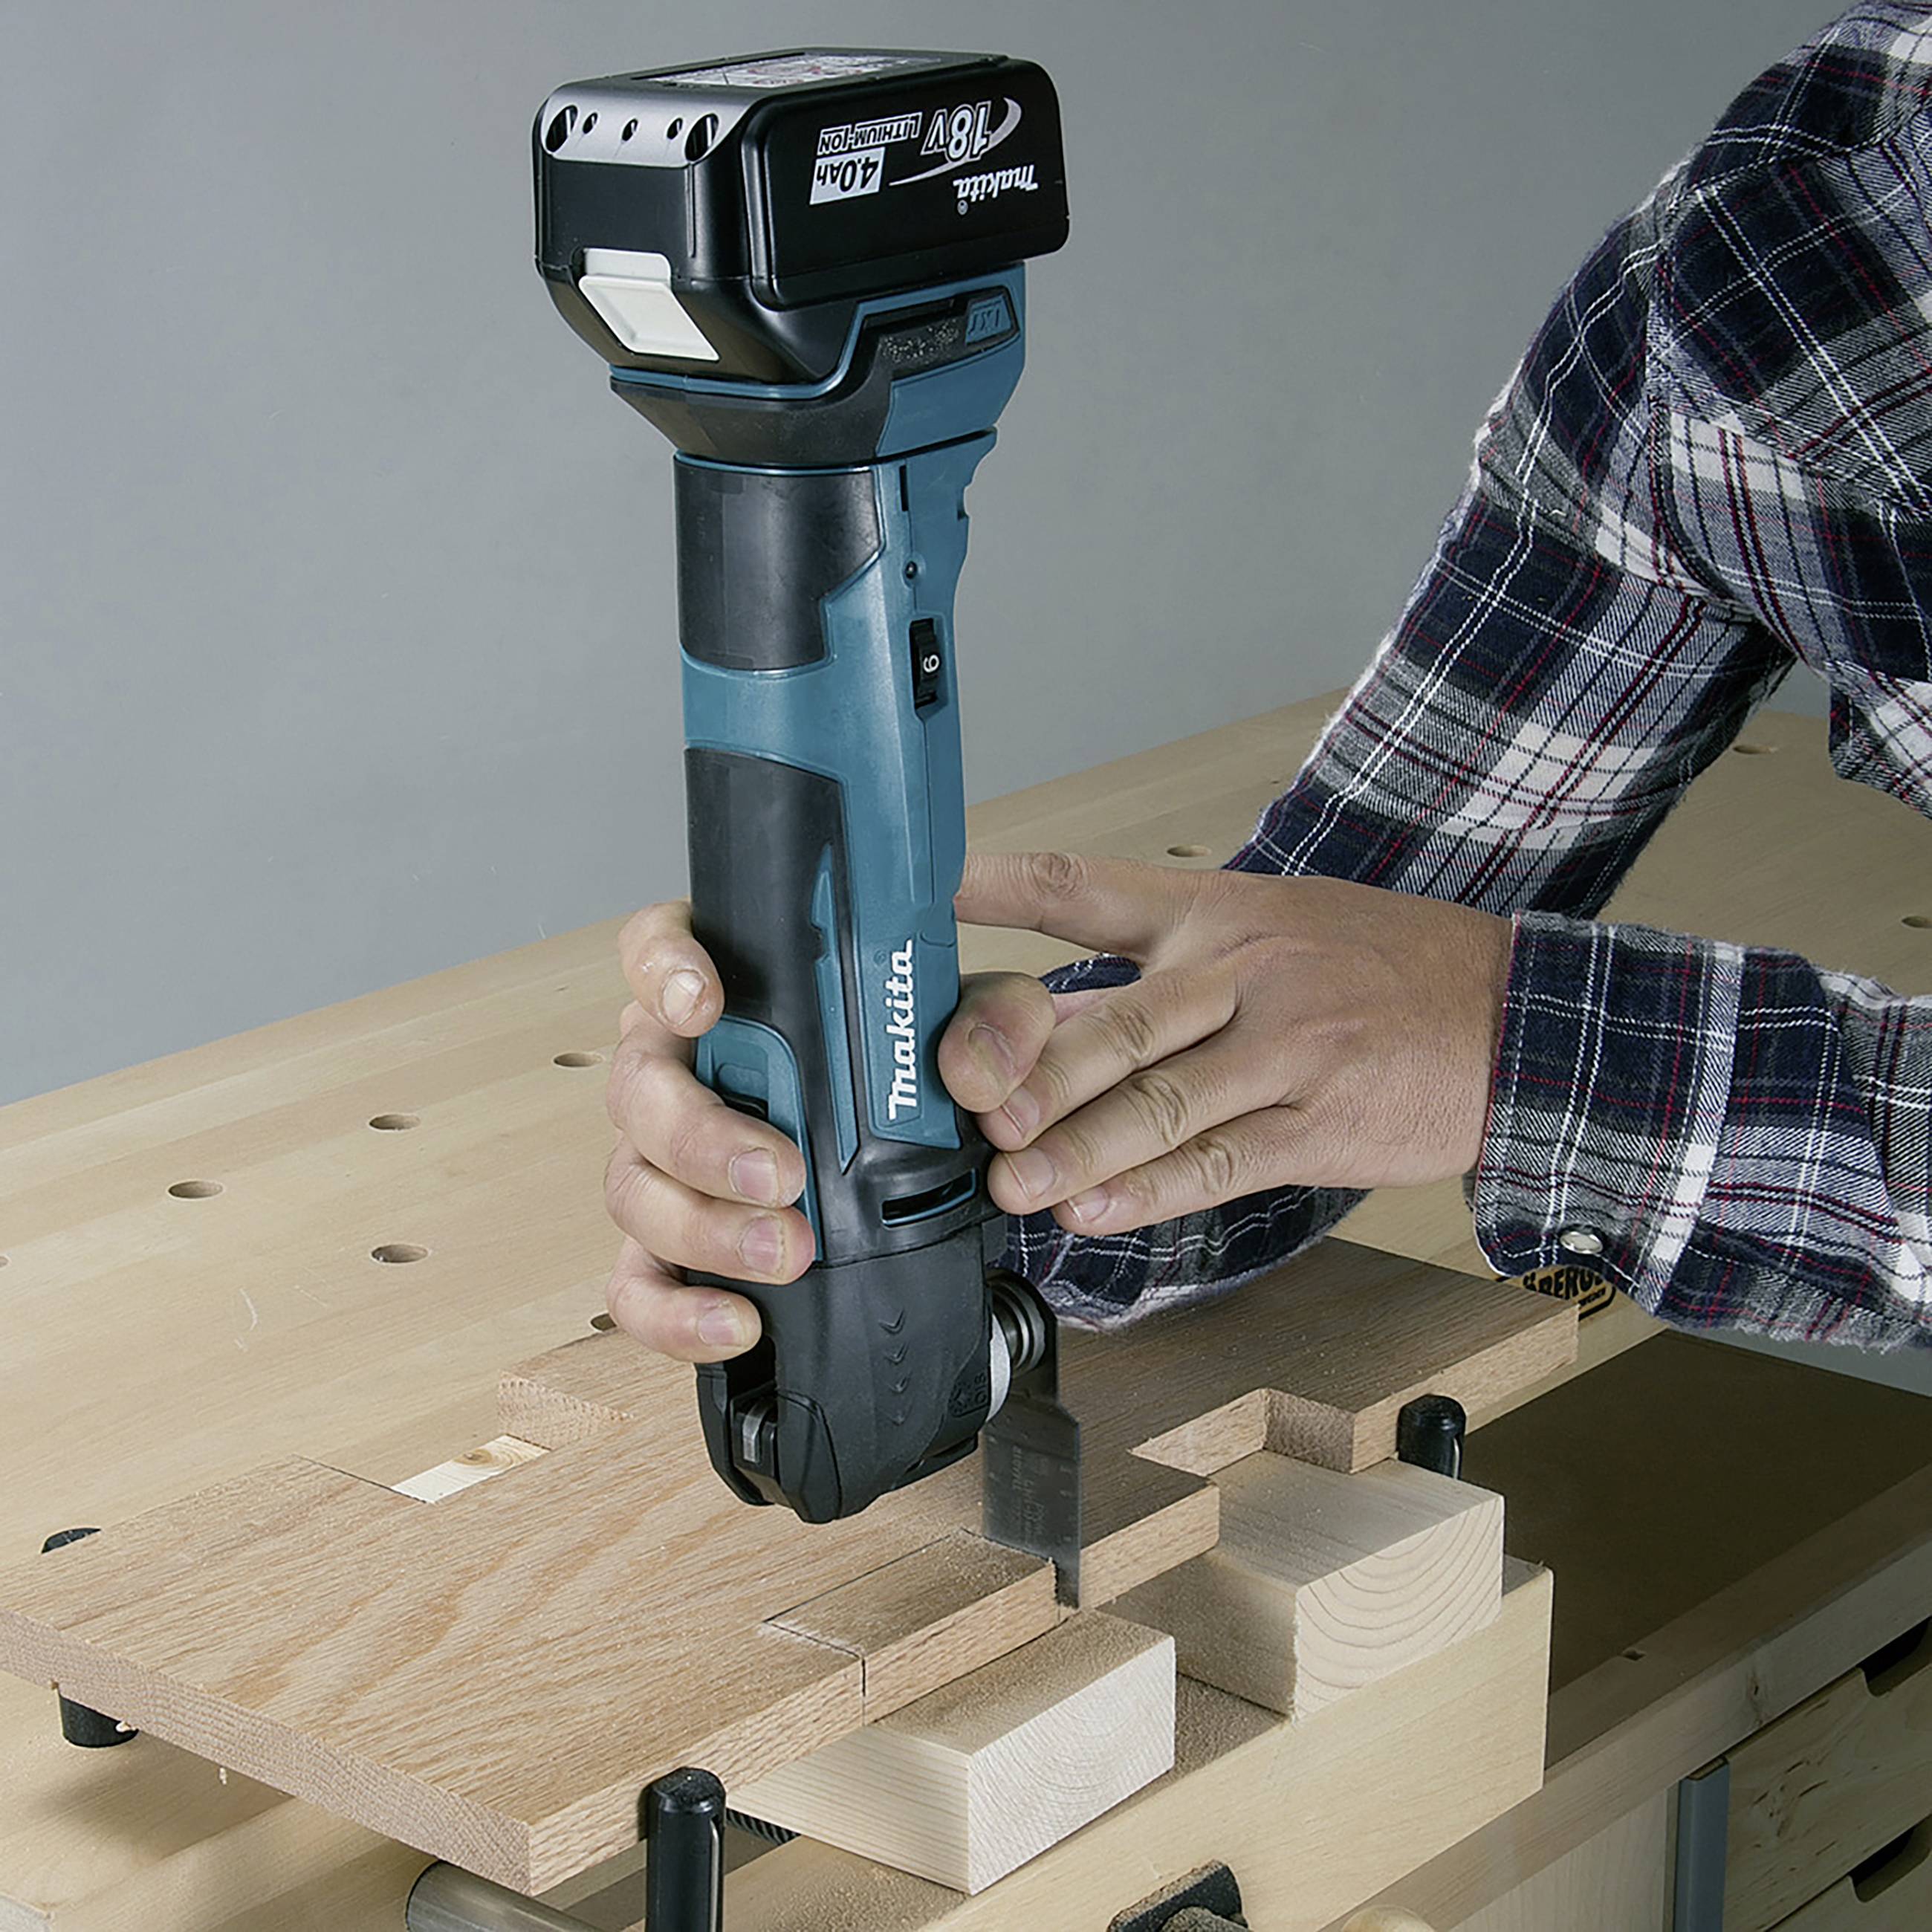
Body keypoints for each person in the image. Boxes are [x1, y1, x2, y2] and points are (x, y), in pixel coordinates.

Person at [602, 1, 1932, 1367]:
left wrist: (1519, 1052)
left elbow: (1450, 1029)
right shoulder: (1776, 265)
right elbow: (1347, 971)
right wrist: (882, 1164)